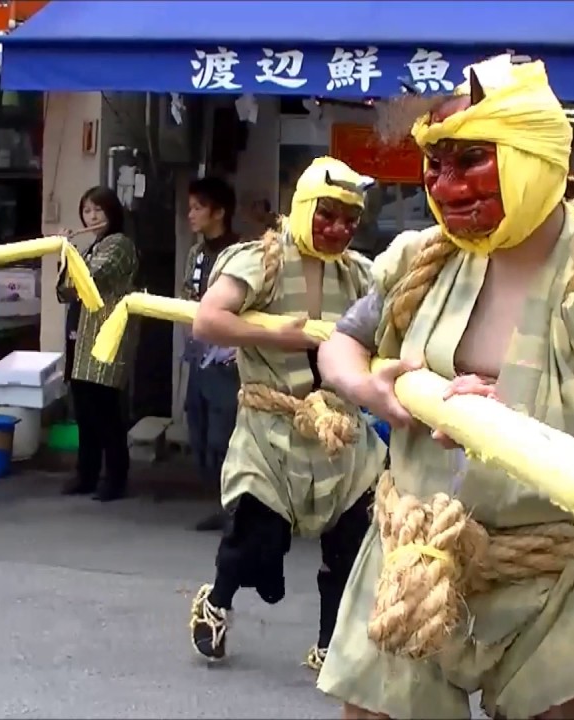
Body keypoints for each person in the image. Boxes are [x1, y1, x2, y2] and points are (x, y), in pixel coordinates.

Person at [314, 56, 574, 720]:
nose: (447, 184)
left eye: (470, 161)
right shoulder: (422, 261)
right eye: (436, 164)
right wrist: (370, 387)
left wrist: (514, 436)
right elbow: (341, 344)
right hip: (413, 554)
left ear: (532, 157)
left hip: (547, 576)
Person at [187, 157, 386, 672]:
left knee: (349, 546)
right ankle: (217, 601)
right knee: (255, 540)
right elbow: (207, 320)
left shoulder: (362, 273)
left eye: (349, 218)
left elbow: (393, 329)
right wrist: (275, 335)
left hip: (340, 433)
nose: (339, 228)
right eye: (328, 215)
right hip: (271, 428)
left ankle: (329, 644)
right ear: (303, 208)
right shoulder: (257, 260)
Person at [58, 186, 139, 502]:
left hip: (106, 337)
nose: (91, 217)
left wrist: (68, 252)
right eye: (87, 211)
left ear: (112, 214)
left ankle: (115, 478)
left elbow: (90, 278)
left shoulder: (119, 245)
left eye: (98, 211)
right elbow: (66, 290)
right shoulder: (95, 245)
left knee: (105, 409)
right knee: (84, 410)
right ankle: (86, 473)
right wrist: (68, 253)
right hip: (82, 336)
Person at [181, 177, 243, 532]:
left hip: (228, 356)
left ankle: (236, 510)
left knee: (225, 433)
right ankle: (220, 502)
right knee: (199, 428)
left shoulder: (242, 252)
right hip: (198, 351)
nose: (191, 214)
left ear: (219, 212)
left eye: (198, 207)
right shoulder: (196, 252)